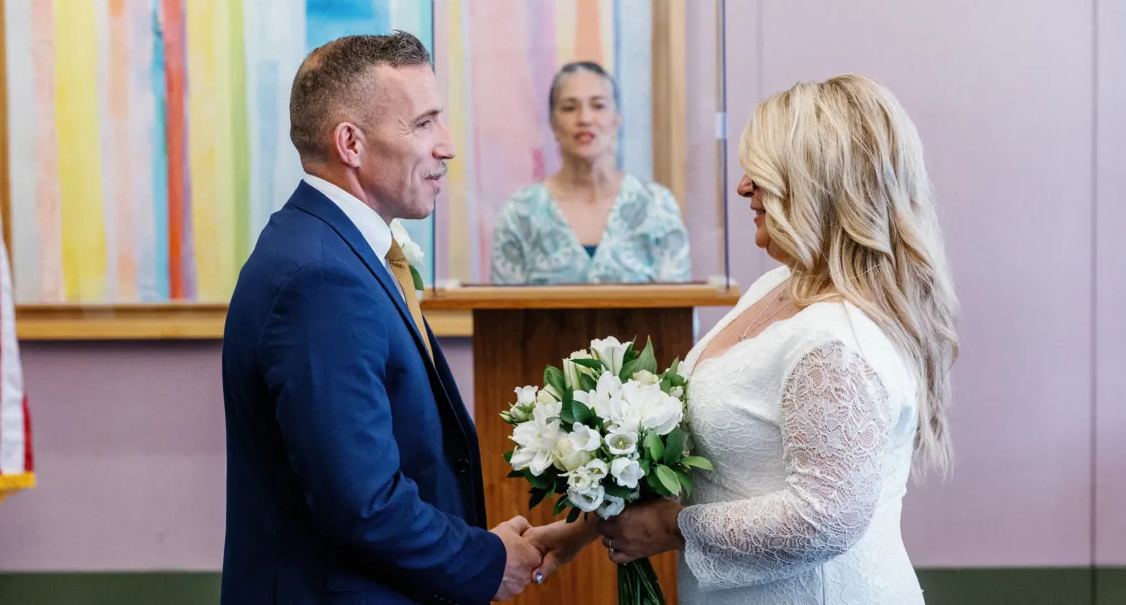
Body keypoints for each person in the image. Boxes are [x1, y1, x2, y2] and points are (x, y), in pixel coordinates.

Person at [526, 74, 960, 605]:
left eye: (763, 172)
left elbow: (824, 517)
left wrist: (674, 529)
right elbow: (727, 460)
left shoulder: (836, 341)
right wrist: (592, 527)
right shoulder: (775, 286)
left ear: (820, 181)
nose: (743, 187)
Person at [220, 31, 542, 604]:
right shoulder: (321, 279)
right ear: (351, 143)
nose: (446, 146)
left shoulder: (331, 249)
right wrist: (487, 560)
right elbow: (361, 505)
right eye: (424, 123)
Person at [490, 61, 691, 285]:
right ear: (553, 123)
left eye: (598, 105)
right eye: (569, 108)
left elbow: (680, 312)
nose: (584, 119)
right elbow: (504, 314)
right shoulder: (519, 213)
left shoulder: (656, 205)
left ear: (617, 119)